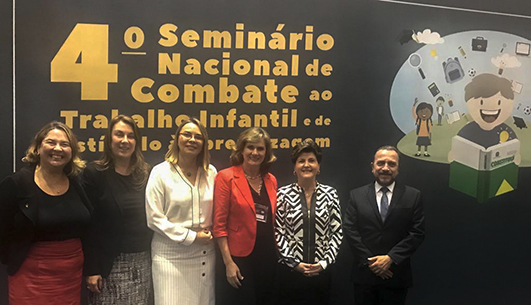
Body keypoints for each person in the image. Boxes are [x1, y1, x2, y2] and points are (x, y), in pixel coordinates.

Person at [0, 121, 92, 305]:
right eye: (51, 142)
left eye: (65, 144)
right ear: (38, 147)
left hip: (71, 277)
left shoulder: (76, 183)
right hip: (30, 277)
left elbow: (88, 227)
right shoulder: (17, 183)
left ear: (72, 151)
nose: (57, 148)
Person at [82, 115, 153, 304]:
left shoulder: (146, 174)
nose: (125, 141)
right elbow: (87, 226)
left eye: (131, 136)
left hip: (142, 262)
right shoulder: (94, 174)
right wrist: (92, 269)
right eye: (119, 135)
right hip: (108, 266)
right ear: (109, 139)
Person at [146, 117, 217, 305]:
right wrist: (191, 236)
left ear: (204, 144)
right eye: (187, 134)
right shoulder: (160, 172)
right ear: (177, 138)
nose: (192, 140)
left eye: (198, 137)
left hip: (204, 253)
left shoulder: (211, 172)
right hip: (170, 255)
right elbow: (154, 218)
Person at [343, 146, 425, 305]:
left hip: (396, 275)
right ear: (372, 166)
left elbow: (417, 232)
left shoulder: (413, 196)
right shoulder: (357, 195)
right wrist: (371, 263)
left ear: (398, 169)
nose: (385, 168)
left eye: (391, 164)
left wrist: (390, 258)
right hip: (364, 276)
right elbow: (350, 229)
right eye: (381, 163)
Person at [213, 127, 278, 305]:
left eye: (260, 148)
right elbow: (219, 225)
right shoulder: (226, 177)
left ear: (266, 152)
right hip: (239, 258)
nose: (255, 152)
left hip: (267, 256)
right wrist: (228, 263)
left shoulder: (270, 180)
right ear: (242, 149)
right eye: (250, 147)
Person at [275, 140, 342, 305]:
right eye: (301, 160)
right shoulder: (282, 195)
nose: (306, 165)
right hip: (291, 273)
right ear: (294, 167)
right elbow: (278, 232)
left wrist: (324, 262)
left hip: (321, 272)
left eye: (311, 160)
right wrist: (294, 263)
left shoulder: (330, 194)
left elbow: (337, 232)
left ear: (319, 167)